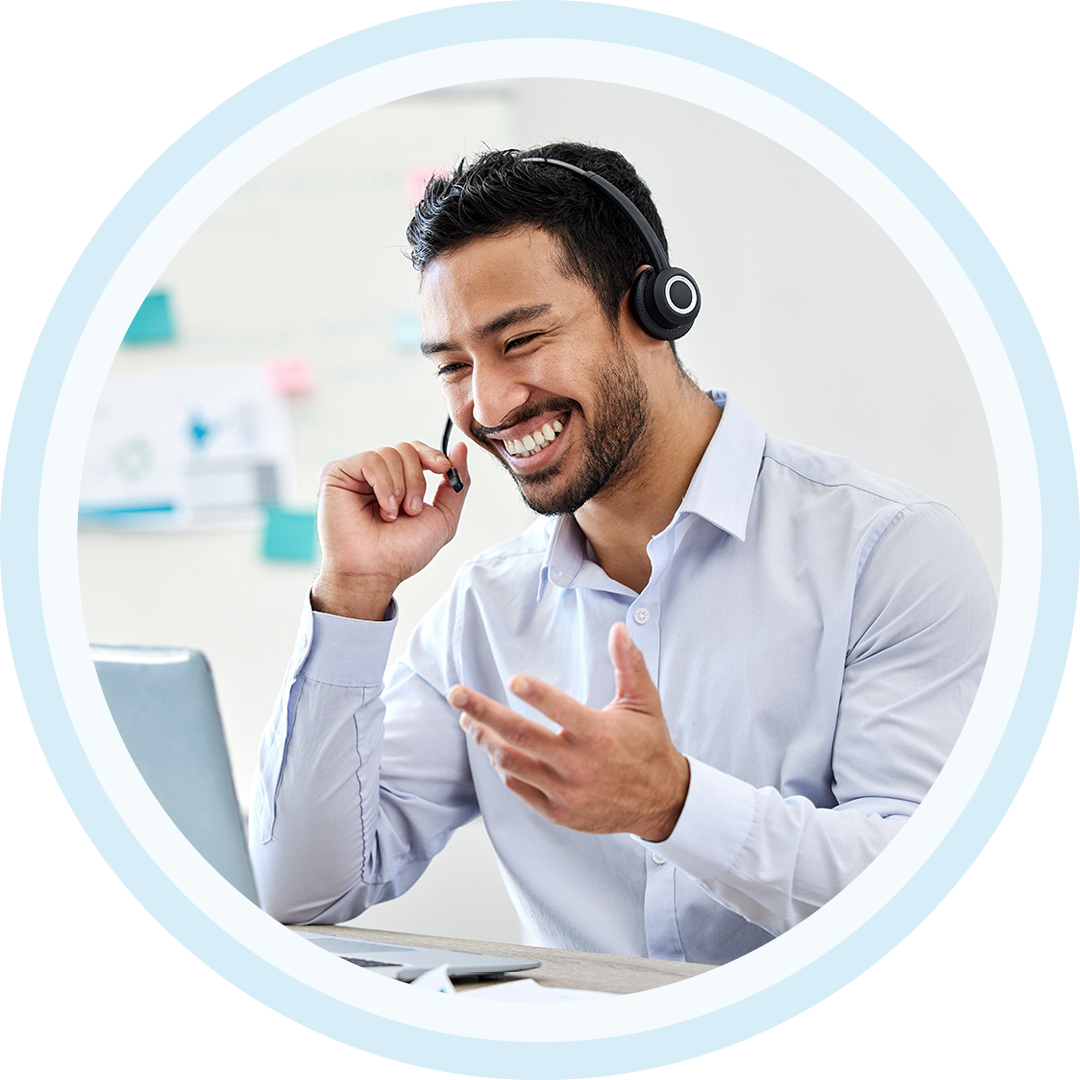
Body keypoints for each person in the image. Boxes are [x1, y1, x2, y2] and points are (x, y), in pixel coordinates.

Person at [249, 143, 996, 966]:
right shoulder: (486, 612)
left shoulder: (887, 554)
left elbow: (929, 893)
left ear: (653, 307)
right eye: (454, 365)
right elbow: (303, 891)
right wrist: (352, 593)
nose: (488, 405)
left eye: (521, 339)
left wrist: (674, 805)